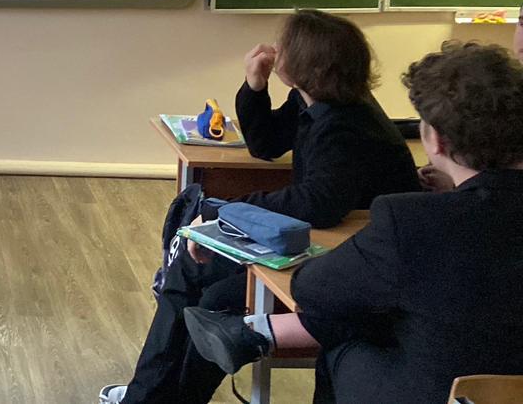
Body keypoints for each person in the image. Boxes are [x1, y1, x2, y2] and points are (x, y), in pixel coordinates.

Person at [101, 9, 421, 404]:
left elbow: (317, 204)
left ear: (306, 67)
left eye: (283, 46)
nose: (274, 50)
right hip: (318, 244)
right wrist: (255, 86)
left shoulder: (345, 127)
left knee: (213, 297)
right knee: (191, 269)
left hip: (346, 262)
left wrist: (224, 211)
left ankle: (154, 397)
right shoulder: (316, 100)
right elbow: (266, 145)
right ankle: (149, 395)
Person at [183, 41, 523, 403]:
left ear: (435, 140)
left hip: (441, 392)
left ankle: (260, 332)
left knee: (349, 331)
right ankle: (259, 332)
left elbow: (311, 289)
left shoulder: (410, 219)